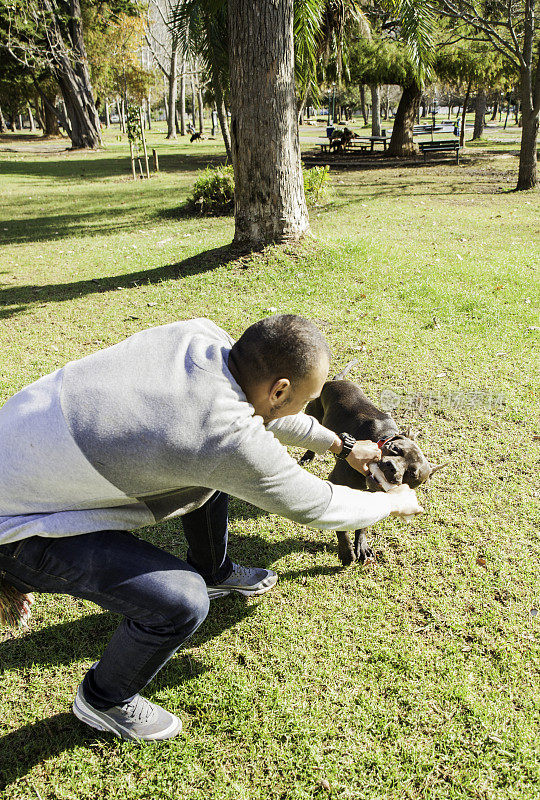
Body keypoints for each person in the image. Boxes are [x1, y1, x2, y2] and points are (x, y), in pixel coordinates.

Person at [0, 315, 422, 741]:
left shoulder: (200, 338)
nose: (308, 407)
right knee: (181, 602)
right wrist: (391, 502)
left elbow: (269, 415)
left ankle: (214, 570)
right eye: (306, 398)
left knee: (212, 476)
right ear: (280, 389)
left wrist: (342, 444)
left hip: (19, 454)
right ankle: (104, 699)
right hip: (13, 526)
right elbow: (316, 505)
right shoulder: (222, 436)